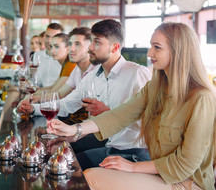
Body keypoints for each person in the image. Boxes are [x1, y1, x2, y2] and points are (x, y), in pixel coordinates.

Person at [48, 22, 216, 190]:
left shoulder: (202, 98)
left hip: (188, 182)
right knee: (87, 173)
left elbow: (186, 164)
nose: (150, 53)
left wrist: (133, 166)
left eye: (157, 47)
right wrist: (74, 130)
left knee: (93, 178)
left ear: (178, 51)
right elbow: (120, 115)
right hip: (159, 174)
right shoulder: (156, 88)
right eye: (151, 46)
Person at [18, 19, 152, 168]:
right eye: (91, 42)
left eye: (97, 42)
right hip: (110, 148)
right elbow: (68, 103)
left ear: (115, 47)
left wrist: (108, 113)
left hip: (136, 154)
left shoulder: (138, 74)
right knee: (58, 161)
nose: (91, 48)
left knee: (69, 166)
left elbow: (151, 120)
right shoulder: (93, 76)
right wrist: (34, 109)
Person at [33, 23, 64, 87]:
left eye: (54, 37)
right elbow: (36, 81)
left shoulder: (65, 58)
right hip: (41, 94)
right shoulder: (37, 55)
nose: (49, 41)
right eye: (47, 36)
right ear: (43, 36)